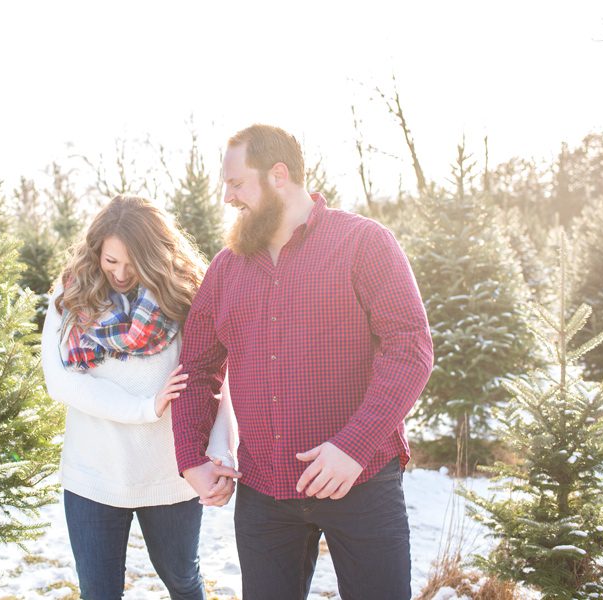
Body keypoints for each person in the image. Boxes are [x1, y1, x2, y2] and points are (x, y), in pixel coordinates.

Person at [171, 124, 433, 599]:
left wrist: (352, 446)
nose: (228, 198)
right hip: (264, 494)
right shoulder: (226, 269)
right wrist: (192, 456)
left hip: (362, 480)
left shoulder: (364, 243)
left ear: (278, 175)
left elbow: (409, 348)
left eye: (236, 183)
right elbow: (196, 368)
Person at [41, 195, 237, 600]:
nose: (121, 274)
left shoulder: (184, 297)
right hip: (93, 476)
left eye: (133, 263)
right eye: (111, 261)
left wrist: (220, 451)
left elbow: (217, 379)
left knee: (183, 582)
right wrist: (144, 408)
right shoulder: (71, 295)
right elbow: (61, 383)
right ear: (96, 251)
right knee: (99, 593)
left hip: (169, 474)